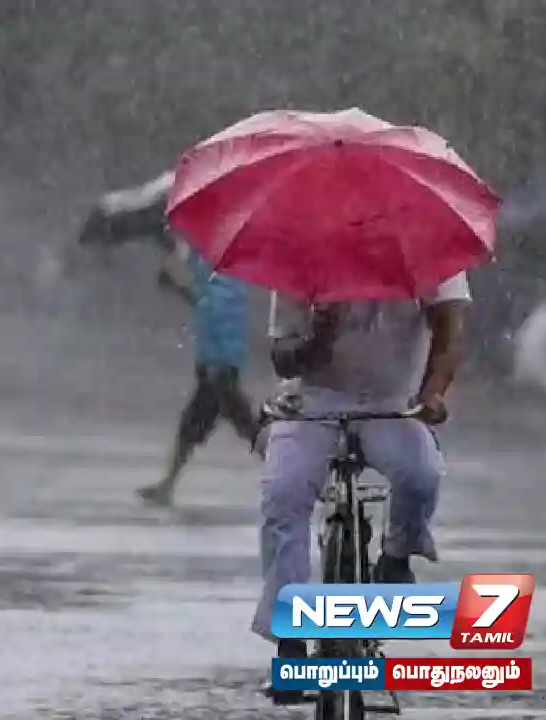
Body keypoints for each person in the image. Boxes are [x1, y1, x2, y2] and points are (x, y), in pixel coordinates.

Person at [255, 275, 470, 705]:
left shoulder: (424, 253)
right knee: (282, 494)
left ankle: (396, 557)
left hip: (392, 403)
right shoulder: (302, 258)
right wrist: (318, 339)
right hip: (313, 403)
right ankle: (291, 641)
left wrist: (433, 393)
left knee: (422, 474)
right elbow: (283, 360)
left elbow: (450, 331)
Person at [136, 237, 262, 507]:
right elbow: (206, 304)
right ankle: (167, 486)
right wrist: (178, 287)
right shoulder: (223, 269)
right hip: (217, 362)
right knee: (196, 426)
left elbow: (213, 309)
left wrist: (176, 286)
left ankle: (295, 480)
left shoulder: (219, 271)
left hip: (219, 364)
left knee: (247, 427)